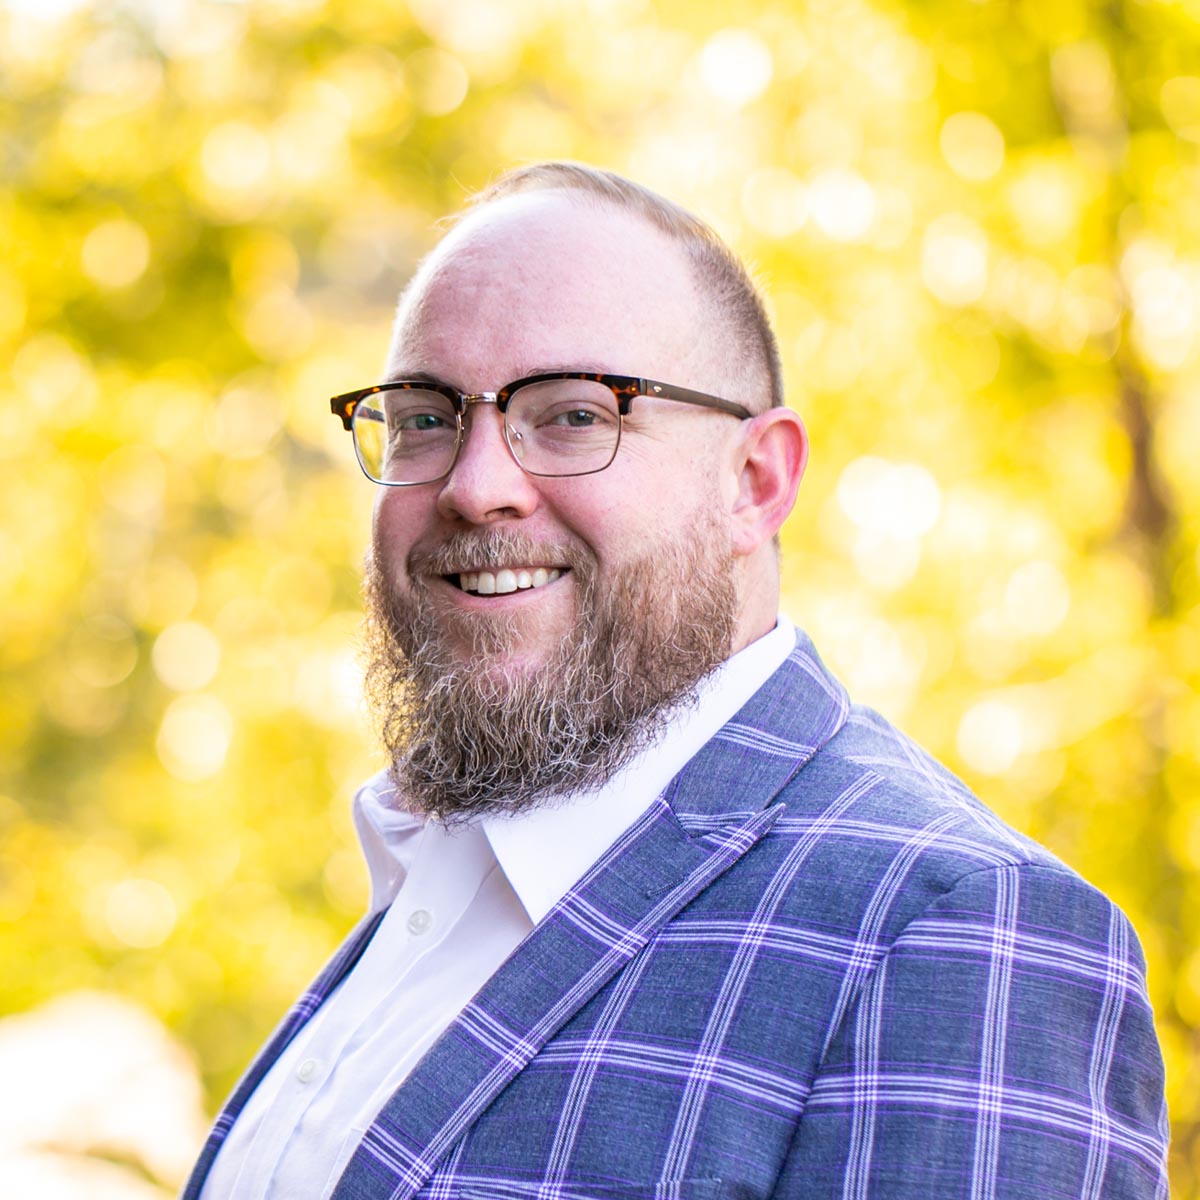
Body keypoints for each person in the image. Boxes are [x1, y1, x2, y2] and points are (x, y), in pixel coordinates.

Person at [184, 162, 1169, 1199]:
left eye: (574, 415)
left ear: (755, 482)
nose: (475, 487)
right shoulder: (441, 886)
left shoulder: (957, 934)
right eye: (425, 418)